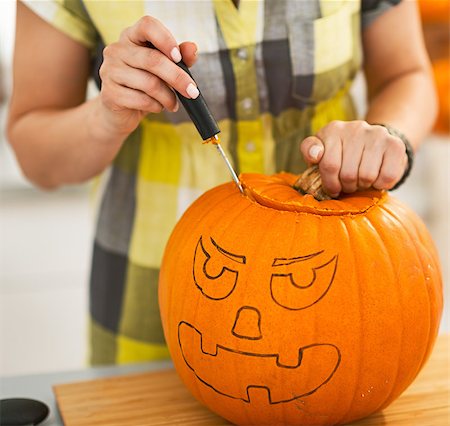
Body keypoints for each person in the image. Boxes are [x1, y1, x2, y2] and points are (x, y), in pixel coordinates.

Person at [7, 0, 437, 365]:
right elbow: (37, 157)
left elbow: (409, 76)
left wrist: (388, 136)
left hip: (340, 299)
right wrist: (106, 116)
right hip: (154, 303)